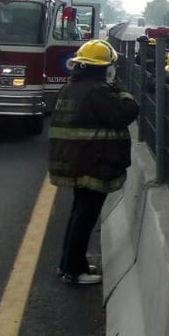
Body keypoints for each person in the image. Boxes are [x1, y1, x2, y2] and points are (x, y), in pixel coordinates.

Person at [49, 39, 140, 286]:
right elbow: (126, 113)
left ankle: (69, 263)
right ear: (105, 67)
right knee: (85, 216)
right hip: (93, 161)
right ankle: (74, 271)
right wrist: (122, 90)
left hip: (76, 160)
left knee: (78, 213)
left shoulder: (72, 87)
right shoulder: (98, 92)